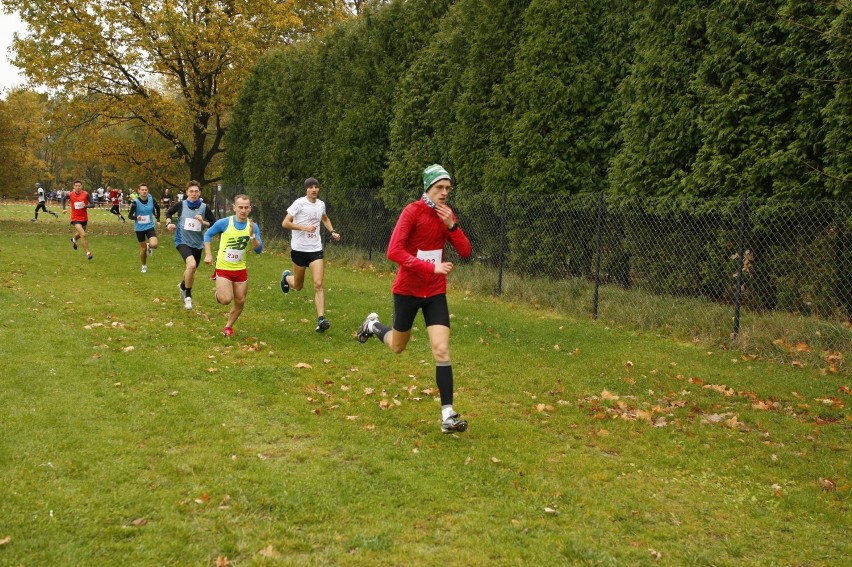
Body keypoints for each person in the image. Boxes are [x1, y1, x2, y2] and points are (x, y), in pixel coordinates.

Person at [356, 164, 472, 434]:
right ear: (428, 188)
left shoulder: (447, 215)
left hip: (434, 293)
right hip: (407, 290)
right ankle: (372, 325)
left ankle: (447, 415)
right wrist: (430, 267)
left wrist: (452, 226)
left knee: (441, 349)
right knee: (398, 346)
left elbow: (465, 251)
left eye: (448, 188)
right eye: (439, 188)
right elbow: (393, 251)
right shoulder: (412, 211)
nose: (444, 193)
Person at [279, 177, 342, 332]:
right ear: (306, 189)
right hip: (299, 249)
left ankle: (321, 319)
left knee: (319, 284)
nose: (314, 190)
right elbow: (285, 223)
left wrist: (332, 231)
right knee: (298, 286)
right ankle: (286, 278)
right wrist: (304, 228)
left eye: (316, 187)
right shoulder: (299, 203)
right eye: (311, 187)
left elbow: (325, 218)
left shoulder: (321, 204)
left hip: (315, 249)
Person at [204, 194, 263, 336]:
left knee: (240, 300)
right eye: (240, 207)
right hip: (223, 267)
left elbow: (258, 250)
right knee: (225, 299)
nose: (243, 210)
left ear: (250, 209)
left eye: (246, 207)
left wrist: (252, 236)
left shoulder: (253, 226)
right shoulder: (224, 223)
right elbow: (207, 235)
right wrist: (208, 254)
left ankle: (228, 326)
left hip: (240, 268)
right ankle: (219, 294)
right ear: (234, 208)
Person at [165, 180, 216, 309]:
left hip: (198, 243)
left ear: (199, 193)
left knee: (191, 269)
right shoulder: (181, 205)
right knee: (191, 264)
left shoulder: (204, 207)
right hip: (182, 240)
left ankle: (182, 286)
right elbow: (168, 213)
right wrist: (168, 223)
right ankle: (188, 296)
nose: (194, 194)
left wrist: (203, 222)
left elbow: (214, 223)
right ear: (187, 192)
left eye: (196, 191)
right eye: (191, 191)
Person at [128, 183, 161, 273]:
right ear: (139, 191)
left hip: (149, 225)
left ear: (148, 191)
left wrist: (158, 219)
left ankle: (149, 245)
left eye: (145, 190)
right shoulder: (135, 202)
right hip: (139, 228)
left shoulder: (151, 199)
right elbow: (130, 216)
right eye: (142, 190)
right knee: (143, 249)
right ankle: (144, 265)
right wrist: (136, 217)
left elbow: (157, 208)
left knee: (154, 245)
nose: (144, 191)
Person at [68, 180, 95, 260]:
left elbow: (93, 204)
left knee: (80, 234)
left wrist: (86, 206)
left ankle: (74, 239)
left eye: (79, 186)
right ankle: (88, 253)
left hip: (84, 218)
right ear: (74, 187)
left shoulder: (86, 194)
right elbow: (63, 199)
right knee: (83, 234)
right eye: (76, 186)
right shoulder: (70, 194)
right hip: (75, 218)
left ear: (81, 187)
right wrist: (64, 208)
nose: (78, 187)